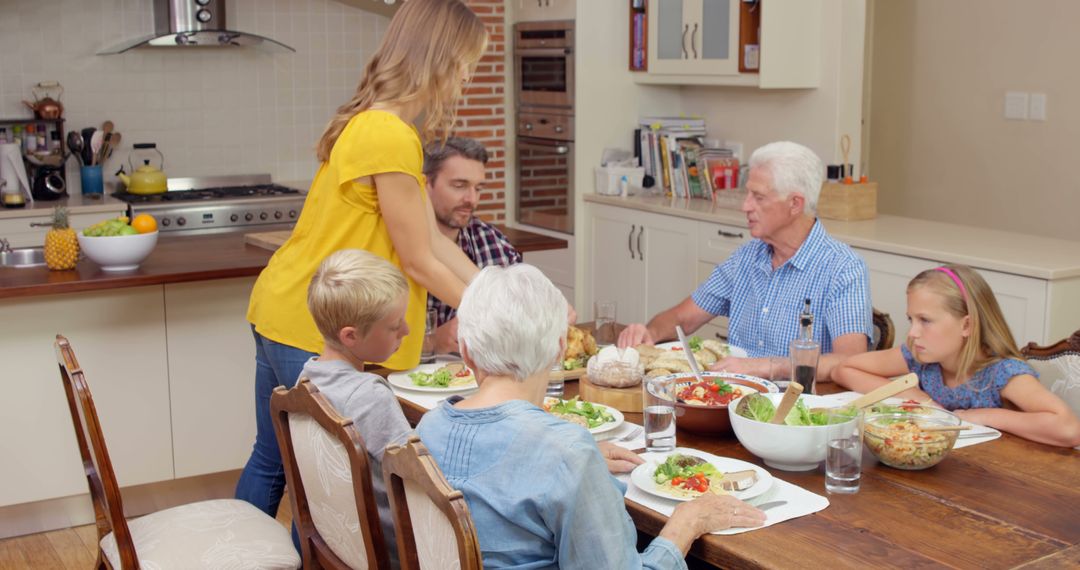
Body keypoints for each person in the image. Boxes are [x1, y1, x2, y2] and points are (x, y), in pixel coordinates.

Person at [238, 0, 489, 519]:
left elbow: (438, 245)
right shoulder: (389, 133)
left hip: (284, 307)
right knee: (321, 487)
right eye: (466, 62)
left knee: (276, 462)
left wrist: (504, 292)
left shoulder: (382, 125)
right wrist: (503, 319)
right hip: (313, 321)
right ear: (439, 58)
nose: (466, 76)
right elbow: (419, 260)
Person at [418, 264, 766, 569]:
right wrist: (686, 523)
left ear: (464, 350)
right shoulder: (567, 452)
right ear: (558, 348)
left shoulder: (428, 428)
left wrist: (577, 463)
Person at [617, 141, 873, 383]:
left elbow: (849, 361)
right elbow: (683, 318)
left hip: (798, 410)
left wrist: (768, 367)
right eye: (747, 194)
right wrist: (650, 333)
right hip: (735, 400)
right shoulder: (747, 257)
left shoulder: (843, 268)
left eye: (758, 197)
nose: (745, 206)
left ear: (795, 204)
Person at [833, 265, 1080, 447]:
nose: (913, 332)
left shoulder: (1002, 373)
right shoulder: (920, 356)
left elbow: (1069, 429)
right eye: (912, 319)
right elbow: (845, 369)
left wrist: (984, 416)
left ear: (967, 326)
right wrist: (916, 397)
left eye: (925, 321)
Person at [300, 249, 414, 566]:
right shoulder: (369, 396)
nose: (405, 330)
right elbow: (419, 479)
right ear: (350, 336)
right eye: (394, 326)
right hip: (395, 553)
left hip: (340, 545)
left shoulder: (305, 381)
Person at [423, 137, 522, 352]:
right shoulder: (396, 248)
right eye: (459, 186)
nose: (472, 200)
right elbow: (367, 345)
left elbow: (520, 317)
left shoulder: (493, 243)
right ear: (425, 185)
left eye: (478, 189)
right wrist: (433, 342)